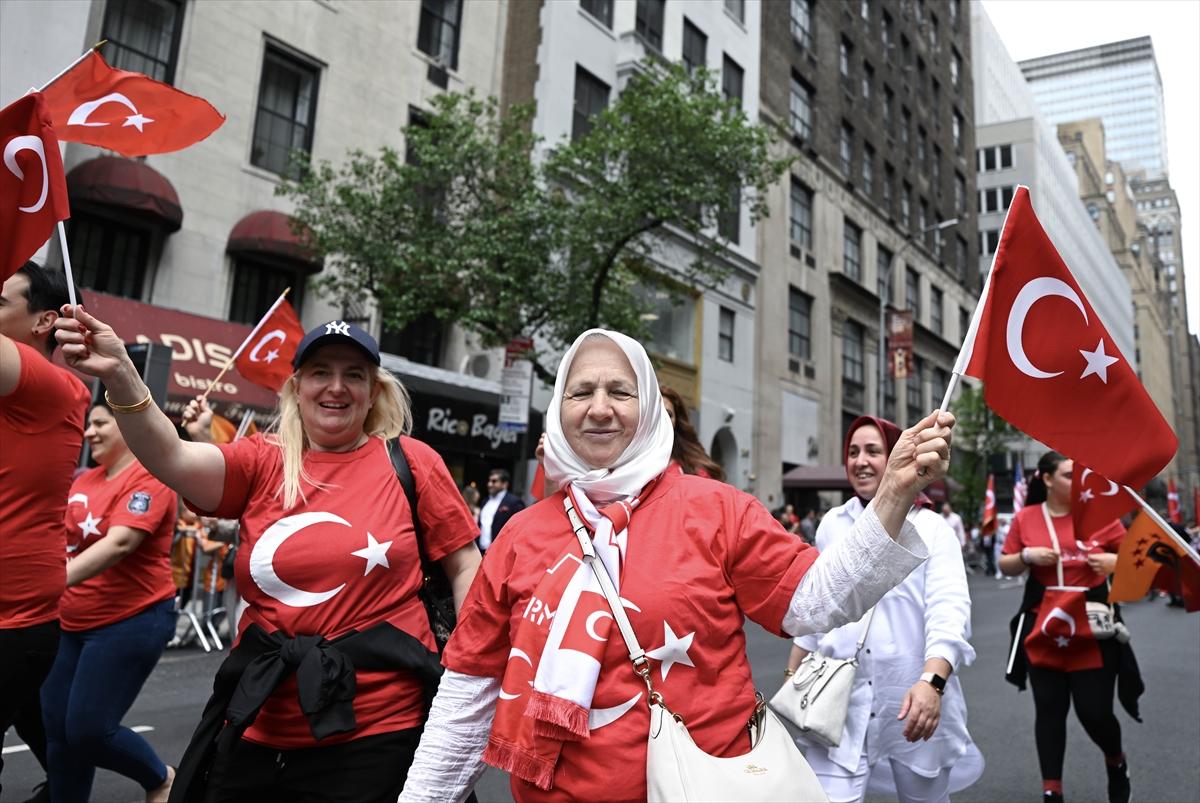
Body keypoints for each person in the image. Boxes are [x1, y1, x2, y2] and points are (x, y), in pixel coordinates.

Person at [397, 328, 955, 802]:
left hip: (704, 785)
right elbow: (466, 698)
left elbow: (816, 601)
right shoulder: (520, 535)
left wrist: (893, 494)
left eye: (621, 390)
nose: (599, 407)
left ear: (647, 411)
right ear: (558, 410)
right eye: (580, 391)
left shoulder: (716, 507)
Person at [53, 310, 482, 803]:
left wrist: (466, 673)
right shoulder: (260, 459)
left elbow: (465, 565)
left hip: (380, 728)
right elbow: (170, 456)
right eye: (321, 372)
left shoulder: (412, 462)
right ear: (297, 388)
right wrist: (121, 374)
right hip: (259, 718)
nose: (336, 387)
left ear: (374, 392)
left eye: (353, 375)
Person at [786, 416, 982, 803]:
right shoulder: (832, 523)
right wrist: (793, 676)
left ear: (897, 456)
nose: (860, 461)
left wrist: (933, 683)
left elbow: (949, 611)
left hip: (911, 699)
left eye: (873, 451)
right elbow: (817, 606)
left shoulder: (933, 528)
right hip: (837, 699)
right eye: (853, 452)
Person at [41, 401, 178, 803]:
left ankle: (160, 778)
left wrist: (51, 581)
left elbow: (120, 543)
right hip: (69, 622)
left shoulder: (151, 476)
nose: (89, 432)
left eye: (100, 423)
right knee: (60, 736)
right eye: (88, 424)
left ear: (127, 425)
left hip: (131, 620)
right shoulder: (84, 480)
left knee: (88, 730)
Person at [0, 263, 90, 801]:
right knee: (50, 735)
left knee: (81, 729)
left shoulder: (51, 382)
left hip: (14, 617)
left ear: (44, 321)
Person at [999, 451, 1136, 803]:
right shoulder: (1027, 517)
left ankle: (1116, 761)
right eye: (1068, 475)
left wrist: (1113, 561)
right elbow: (1006, 563)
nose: (1077, 483)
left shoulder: (1101, 517)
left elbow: (1138, 563)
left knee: (1095, 712)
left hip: (1092, 627)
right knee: (1049, 709)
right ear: (1046, 479)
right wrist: (1027, 557)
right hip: (1044, 627)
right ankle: (1052, 791)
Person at [659, 385, 725, 480]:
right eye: (657, 412)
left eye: (668, 414)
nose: (663, 418)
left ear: (676, 422)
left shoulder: (695, 470)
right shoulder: (632, 465)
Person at [478, 469, 525, 553]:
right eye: (489, 481)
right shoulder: (485, 501)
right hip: (481, 551)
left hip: (500, 552)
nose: (489, 484)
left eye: (494, 481)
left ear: (504, 484)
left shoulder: (514, 502)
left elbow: (519, 530)